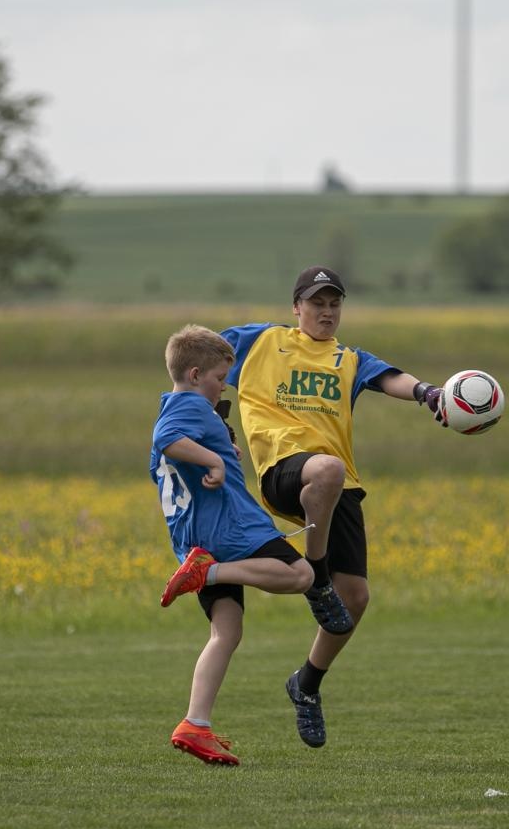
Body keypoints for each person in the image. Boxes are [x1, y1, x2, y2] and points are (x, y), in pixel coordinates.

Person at [216, 266, 443, 749]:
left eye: (334, 303)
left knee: (355, 599)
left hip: (336, 487)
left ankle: (307, 685)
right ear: (296, 307)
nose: (326, 311)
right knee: (327, 471)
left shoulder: (347, 358)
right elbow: (198, 361)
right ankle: (314, 576)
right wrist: (215, 419)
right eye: (316, 303)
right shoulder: (259, 341)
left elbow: (394, 379)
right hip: (283, 469)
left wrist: (431, 395)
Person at [151, 324, 314, 767]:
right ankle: (210, 571)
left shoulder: (183, 406)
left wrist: (221, 449)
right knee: (301, 574)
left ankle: (195, 724)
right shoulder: (189, 404)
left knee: (227, 630)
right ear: (196, 372)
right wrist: (212, 460)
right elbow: (166, 438)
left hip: (195, 538)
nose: (225, 385)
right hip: (229, 528)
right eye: (222, 378)